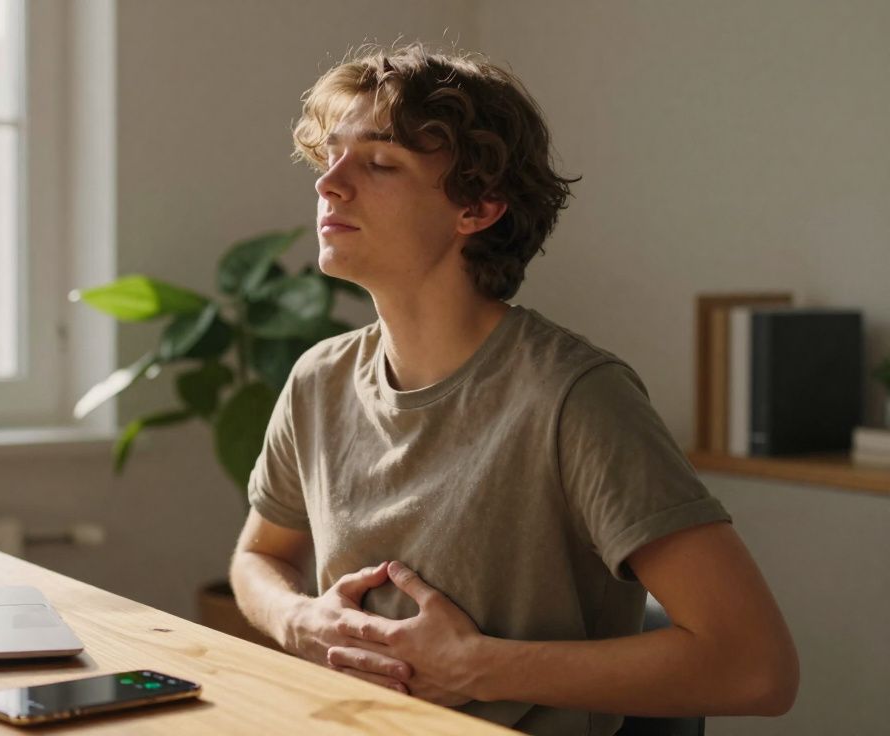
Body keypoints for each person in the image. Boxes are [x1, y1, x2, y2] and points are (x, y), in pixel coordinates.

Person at [228, 43, 799, 735]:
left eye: (379, 163)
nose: (331, 183)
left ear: (478, 208)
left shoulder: (577, 398)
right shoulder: (319, 379)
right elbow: (258, 557)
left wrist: (476, 665)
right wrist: (298, 619)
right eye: (331, 158)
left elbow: (755, 667)